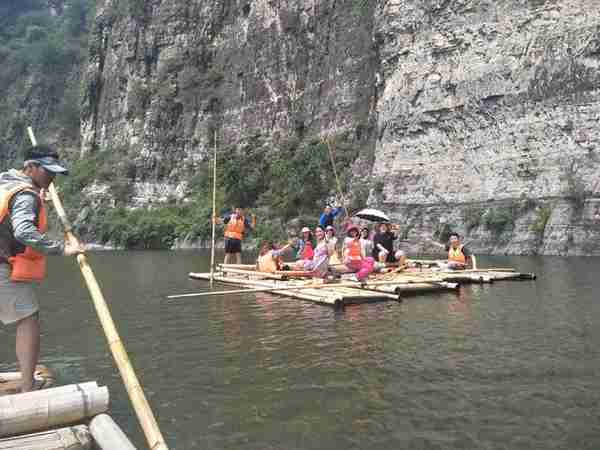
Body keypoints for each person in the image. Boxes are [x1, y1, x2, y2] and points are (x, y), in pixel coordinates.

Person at [0, 146, 84, 392]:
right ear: (31, 167)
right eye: (47, 171)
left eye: (54, 173)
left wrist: (37, 195)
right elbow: (24, 230)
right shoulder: (25, 195)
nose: (52, 177)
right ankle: (28, 386)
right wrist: (61, 248)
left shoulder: (7, 183)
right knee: (28, 319)